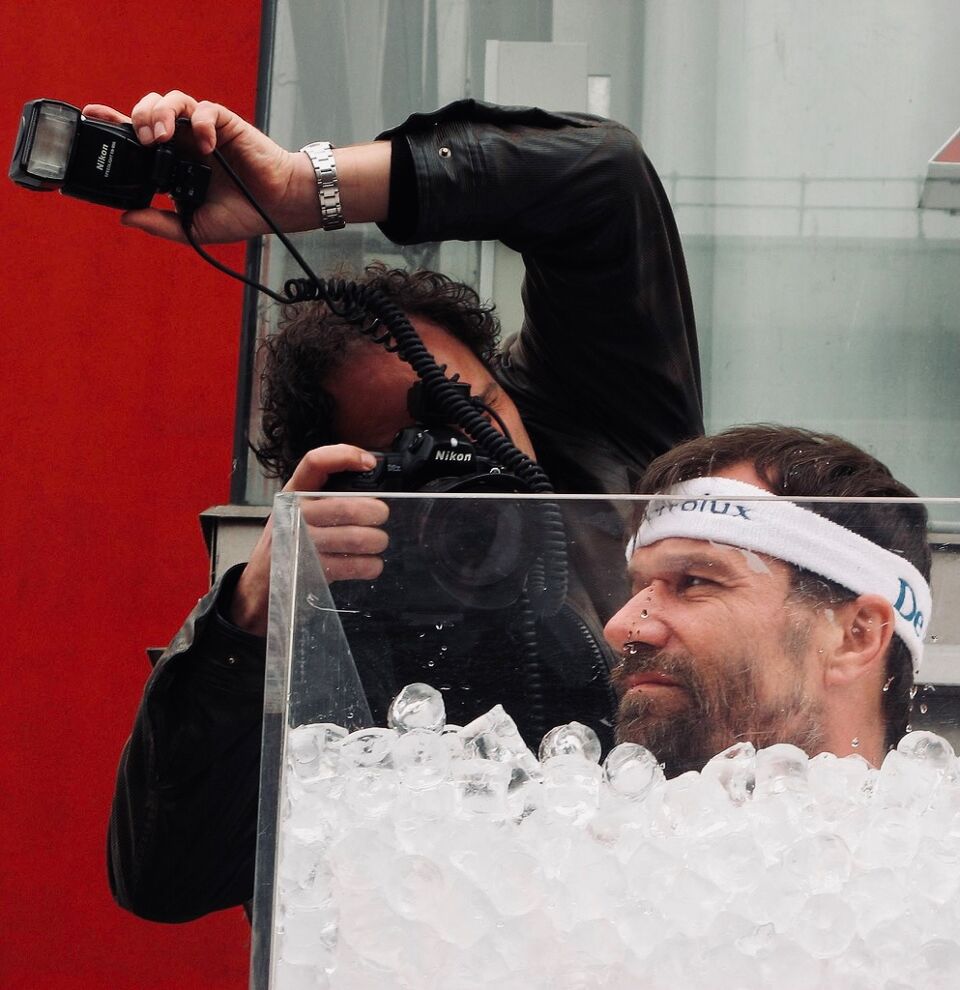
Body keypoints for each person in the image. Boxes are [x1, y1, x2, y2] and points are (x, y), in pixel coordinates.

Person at [87, 91, 704, 921]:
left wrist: (303, 189)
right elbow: (164, 878)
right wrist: (254, 619)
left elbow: (602, 178)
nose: (467, 456)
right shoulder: (327, 603)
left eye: (474, 411)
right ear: (346, 480)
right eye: (416, 450)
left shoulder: (603, 446)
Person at [604, 424, 932, 777]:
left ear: (855, 635)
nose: (621, 627)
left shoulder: (939, 832)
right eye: (638, 589)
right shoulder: (567, 824)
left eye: (694, 582)